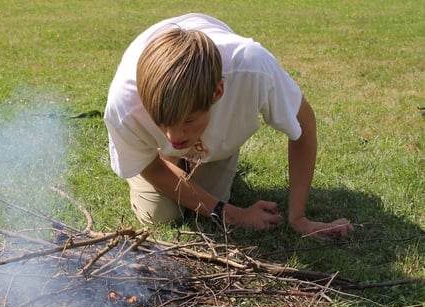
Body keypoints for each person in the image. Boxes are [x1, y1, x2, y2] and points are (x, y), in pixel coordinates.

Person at [104, 13, 353, 238]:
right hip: (153, 151)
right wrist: (231, 213)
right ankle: (174, 159)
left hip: (221, 121)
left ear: (218, 92)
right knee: (161, 214)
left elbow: (304, 125)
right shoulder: (124, 102)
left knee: (210, 197)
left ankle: (210, 151)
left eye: (188, 120)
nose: (172, 136)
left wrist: (298, 218)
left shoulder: (252, 68)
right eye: (160, 121)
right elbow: (149, 165)